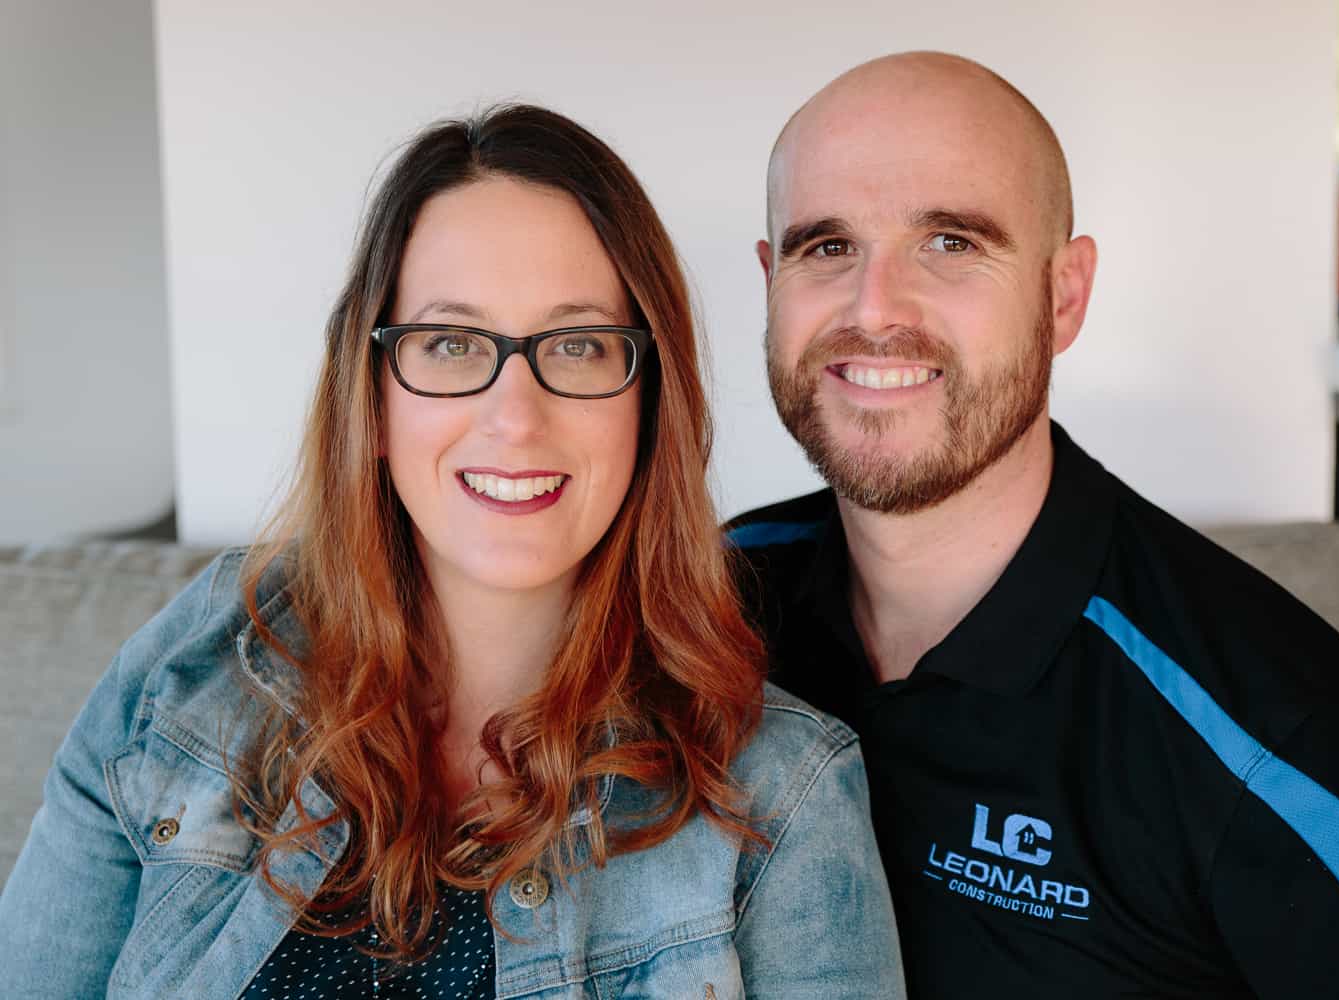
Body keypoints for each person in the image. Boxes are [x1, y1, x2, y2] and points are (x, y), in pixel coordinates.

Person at [0, 104, 903, 999]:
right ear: (372, 400)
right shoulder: (191, 667)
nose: (514, 418)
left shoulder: (785, 795)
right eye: (450, 343)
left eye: (579, 345)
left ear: (649, 404)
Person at [729, 51, 1339, 999]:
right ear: (770, 280)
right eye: (826, 248)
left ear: (1064, 295)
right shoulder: (697, 605)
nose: (875, 307)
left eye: (952, 243)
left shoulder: (1272, 728)